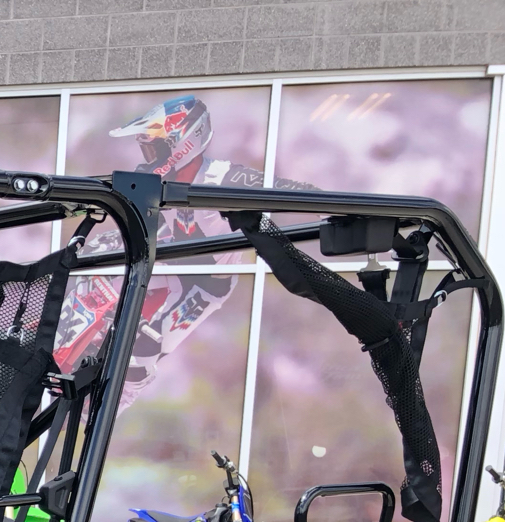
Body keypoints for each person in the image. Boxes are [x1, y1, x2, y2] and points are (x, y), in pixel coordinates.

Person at [55, 94, 314, 407]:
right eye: (146, 147)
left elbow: (290, 191)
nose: (148, 156)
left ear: (184, 143)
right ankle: (60, 340)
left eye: (155, 147)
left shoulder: (225, 177)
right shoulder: (160, 180)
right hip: (169, 256)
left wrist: (340, 208)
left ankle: (96, 415)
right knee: (97, 254)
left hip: (203, 284)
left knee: (141, 352)